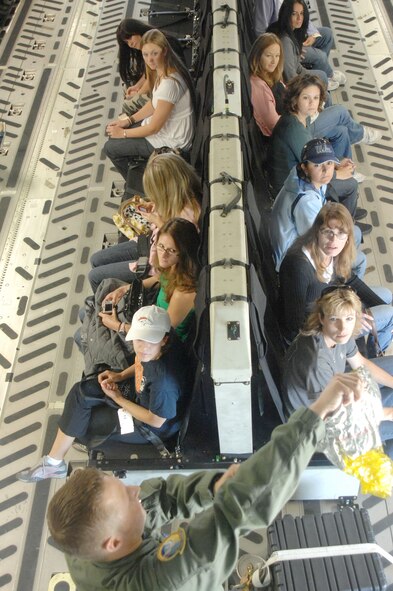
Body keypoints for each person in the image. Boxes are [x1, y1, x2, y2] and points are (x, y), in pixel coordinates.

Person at [45, 373, 364, 590]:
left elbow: (162, 497)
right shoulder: (166, 579)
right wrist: (318, 412)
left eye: (121, 485)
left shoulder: (82, 544)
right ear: (112, 543)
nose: (133, 489)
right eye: (126, 497)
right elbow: (240, 508)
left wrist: (212, 488)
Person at [17, 305, 192, 483]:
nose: (143, 347)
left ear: (164, 339)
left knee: (83, 428)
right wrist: (121, 375)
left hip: (150, 426)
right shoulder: (162, 344)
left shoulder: (164, 382)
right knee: (81, 391)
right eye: (138, 339)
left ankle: (56, 461)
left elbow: (156, 420)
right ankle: (55, 464)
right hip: (141, 393)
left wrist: (119, 399)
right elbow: (142, 361)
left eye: (150, 340)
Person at [283, 287, 393, 458]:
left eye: (349, 319)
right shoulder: (316, 363)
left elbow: (361, 363)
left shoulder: (339, 336)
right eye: (334, 319)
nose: (343, 328)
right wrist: (389, 413)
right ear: (322, 318)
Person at [279, 202, 393, 351]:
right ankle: (372, 357)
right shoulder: (298, 265)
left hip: (331, 309)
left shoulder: (332, 253)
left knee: (386, 296)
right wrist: (348, 321)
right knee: (389, 315)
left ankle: (371, 347)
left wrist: (373, 306)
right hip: (316, 334)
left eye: (340, 233)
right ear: (317, 232)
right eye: (327, 232)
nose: (334, 240)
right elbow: (295, 326)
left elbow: (351, 279)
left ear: (347, 238)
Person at [88, 152, 201, 292]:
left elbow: (179, 248)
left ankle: (102, 305)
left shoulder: (189, 214)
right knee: (95, 260)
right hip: (150, 243)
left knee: (95, 277)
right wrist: (156, 206)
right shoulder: (184, 195)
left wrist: (158, 221)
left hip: (157, 259)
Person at [249, 33, 381, 148]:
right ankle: (360, 134)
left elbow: (287, 93)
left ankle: (343, 169)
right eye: (268, 56)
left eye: (277, 56)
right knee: (340, 112)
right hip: (293, 132)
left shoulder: (270, 75)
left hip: (297, 118)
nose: (274, 61)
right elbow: (275, 126)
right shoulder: (259, 87)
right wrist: (304, 114)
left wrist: (306, 102)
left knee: (341, 131)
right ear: (258, 55)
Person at [268, 73, 379, 202]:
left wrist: (336, 163)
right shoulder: (294, 130)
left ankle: (340, 199)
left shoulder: (302, 116)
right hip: (289, 189)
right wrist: (339, 173)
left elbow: (314, 158)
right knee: (351, 185)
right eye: (306, 98)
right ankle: (344, 217)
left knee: (341, 131)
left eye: (316, 98)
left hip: (301, 174)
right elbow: (314, 169)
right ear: (295, 99)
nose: (312, 103)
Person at [104, 29, 195, 185]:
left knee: (110, 148)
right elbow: (154, 105)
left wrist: (124, 133)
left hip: (172, 142)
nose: (150, 60)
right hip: (164, 133)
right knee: (113, 135)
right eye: (146, 55)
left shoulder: (169, 84)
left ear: (164, 51)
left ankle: (144, 186)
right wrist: (128, 121)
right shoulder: (163, 72)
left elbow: (154, 128)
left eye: (154, 53)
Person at [270, 138, 366, 275]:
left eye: (329, 163)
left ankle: (342, 274)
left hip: (299, 242)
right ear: (305, 168)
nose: (326, 170)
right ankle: (342, 287)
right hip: (292, 260)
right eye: (317, 165)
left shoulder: (302, 176)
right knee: (360, 259)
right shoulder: (306, 202)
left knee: (354, 232)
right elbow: (317, 242)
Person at [99, 218, 200, 343]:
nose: (163, 255)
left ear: (184, 253)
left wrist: (118, 326)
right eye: (161, 246)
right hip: (149, 319)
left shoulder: (184, 291)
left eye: (172, 250)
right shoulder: (173, 266)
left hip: (156, 343)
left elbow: (160, 334)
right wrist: (124, 289)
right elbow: (159, 278)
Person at [111, 19, 185, 122]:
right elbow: (149, 72)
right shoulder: (152, 42)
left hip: (169, 89)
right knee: (128, 89)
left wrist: (137, 95)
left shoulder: (155, 47)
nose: (130, 44)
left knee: (127, 106)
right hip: (161, 83)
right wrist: (137, 86)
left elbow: (153, 78)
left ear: (137, 31)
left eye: (130, 38)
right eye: (127, 42)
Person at [266, 0, 345, 89]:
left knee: (327, 34)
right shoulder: (285, 42)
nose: (299, 18)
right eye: (294, 14)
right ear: (287, 15)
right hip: (282, 39)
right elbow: (290, 76)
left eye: (301, 13)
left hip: (297, 40)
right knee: (321, 60)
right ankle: (325, 79)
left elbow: (298, 68)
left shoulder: (294, 29)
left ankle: (323, 78)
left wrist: (313, 35)